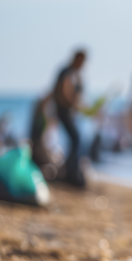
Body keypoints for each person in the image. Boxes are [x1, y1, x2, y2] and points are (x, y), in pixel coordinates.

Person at [52, 49, 87, 187]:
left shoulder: (74, 73)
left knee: (74, 139)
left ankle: (70, 169)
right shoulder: (68, 72)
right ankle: (70, 171)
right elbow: (65, 93)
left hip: (67, 111)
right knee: (76, 138)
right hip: (64, 111)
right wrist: (74, 105)